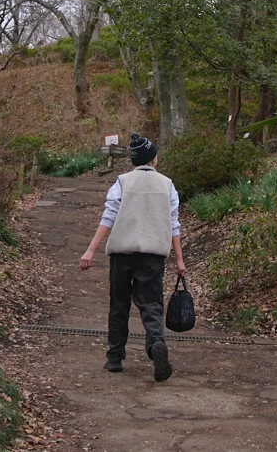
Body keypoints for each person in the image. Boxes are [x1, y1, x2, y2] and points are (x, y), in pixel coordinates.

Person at [79, 133, 185, 380]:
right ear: (153, 158)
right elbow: (174, 224)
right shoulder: (167, 185)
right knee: (152, 305)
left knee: (119, 304)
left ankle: (115, 357)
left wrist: (91, 249)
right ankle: (155, 344)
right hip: (153, 255)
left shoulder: (122, 182)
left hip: (122, 253)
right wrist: (179, 260)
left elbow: (109, 217)